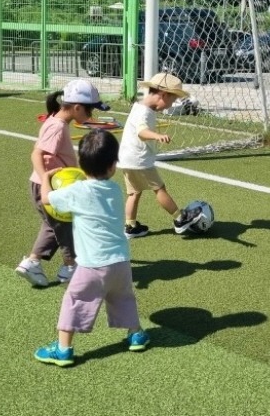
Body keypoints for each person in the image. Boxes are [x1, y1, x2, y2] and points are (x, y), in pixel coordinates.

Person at [34, 129, 149, 367]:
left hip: (92, 265)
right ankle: (136, 333)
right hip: (120, 261)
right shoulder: (116, 190)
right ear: (112, 166)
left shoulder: (77, 191)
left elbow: (47, 199)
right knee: (123, 297)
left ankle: (63, 349)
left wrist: (46, 178)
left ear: (82, 166)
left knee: (74, 300)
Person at [16, 78, 111, 287]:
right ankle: (70, 267)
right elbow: (36, 154)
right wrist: (46, 182)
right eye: (90, 110)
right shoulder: (57, 127)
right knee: (67, 227)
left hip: (50, 186)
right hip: (52, 188)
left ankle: (32, 262)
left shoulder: (55, 120)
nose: (91, 115)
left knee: (52, 226)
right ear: (77, 107)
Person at [118, 72, 202, 238]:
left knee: (134, 193)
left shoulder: (139, 105)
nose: (169, 106)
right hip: (140, 160)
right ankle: (180, 219)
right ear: (163, 95)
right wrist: (158, 136)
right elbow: (142, 132)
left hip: (126, 158)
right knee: (159, 189)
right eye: (170, 101)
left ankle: (130, 226)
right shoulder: (145, 113)